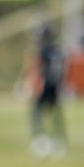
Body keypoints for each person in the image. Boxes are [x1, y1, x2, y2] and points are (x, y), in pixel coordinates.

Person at [30, 23, 67, 158]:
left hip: (45, 86)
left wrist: (33, 85)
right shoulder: (57, 50)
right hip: (55, 86)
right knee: (56, 114)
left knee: (36, 113)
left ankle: (41, 140)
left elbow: (38, 69)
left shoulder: (44, 51)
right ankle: (59, 141)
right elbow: (63, 69)